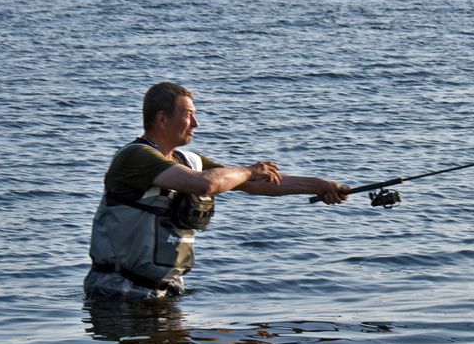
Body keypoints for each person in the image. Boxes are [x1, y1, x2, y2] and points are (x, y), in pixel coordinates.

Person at [85, 81, 348, 299]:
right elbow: (206, 184)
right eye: (188, 115)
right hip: (116, 294)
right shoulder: (135, 157)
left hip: (163, 293)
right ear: (162, 118)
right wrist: (248, 169)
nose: (196, 123)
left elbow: (255, 184)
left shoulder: (187, 161)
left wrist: (319, 185)